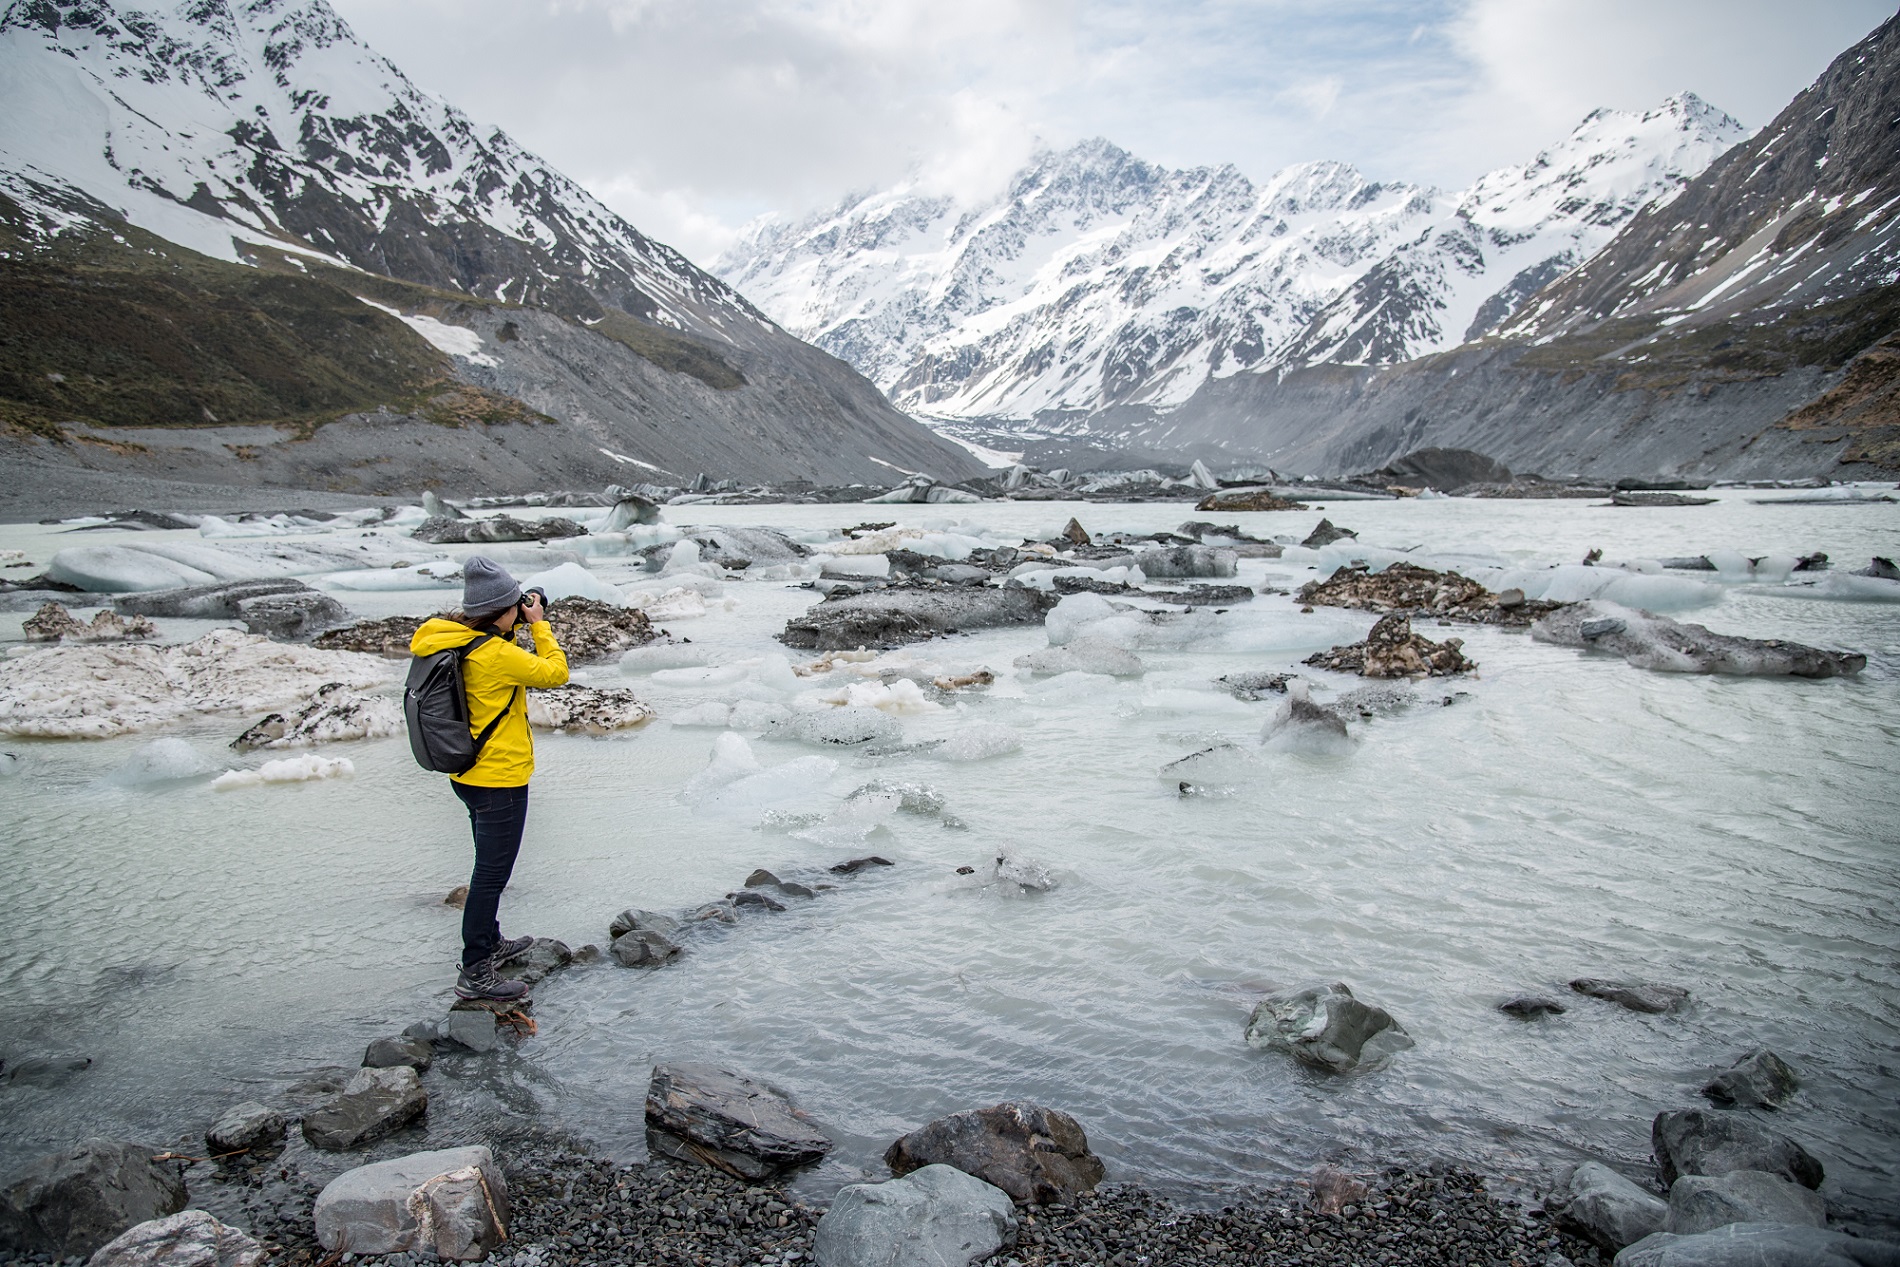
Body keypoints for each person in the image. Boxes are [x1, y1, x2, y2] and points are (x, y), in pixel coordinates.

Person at [410, 556, 569, 1002]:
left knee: (487, 864)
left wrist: (512, 621)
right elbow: (555, 673)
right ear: (502, 609)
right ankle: (476, 970)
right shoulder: (497, 654)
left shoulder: (456, 639)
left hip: (467, 773)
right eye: (515, 603)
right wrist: (539, 625)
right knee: (491, 876)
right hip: (501, 779)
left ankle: (493, 943)